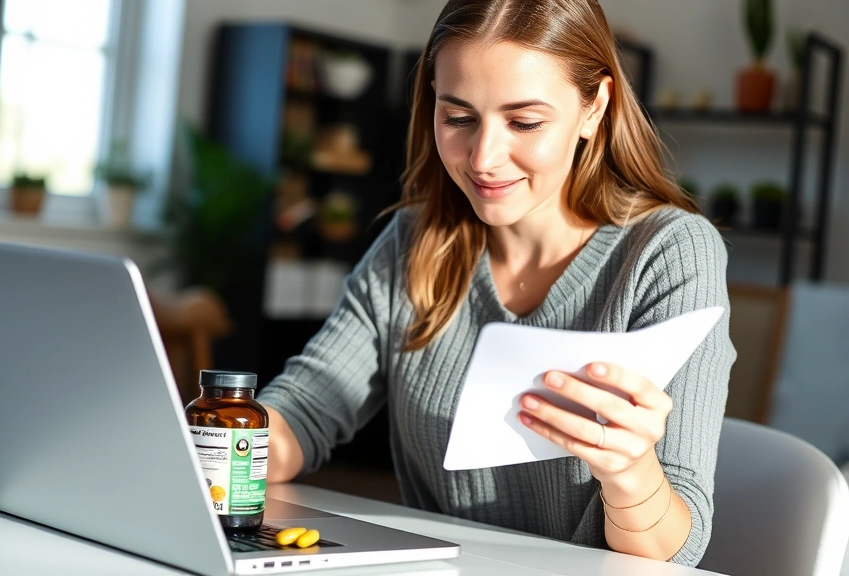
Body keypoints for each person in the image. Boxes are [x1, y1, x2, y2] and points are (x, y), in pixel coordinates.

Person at [257, 0, 735, 566]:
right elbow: (308, 408)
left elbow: (672, 551)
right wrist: (218, 442)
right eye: (457, 117)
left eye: (525, 122)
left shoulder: (669, 253)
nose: (483, 158)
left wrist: (629, 470)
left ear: (594, 107)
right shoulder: (415, 240)